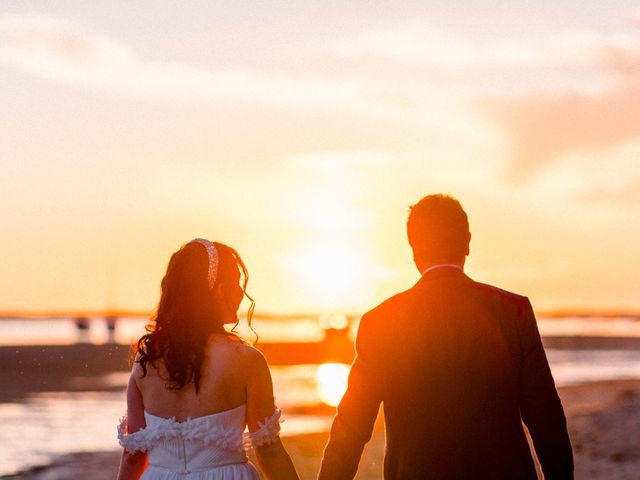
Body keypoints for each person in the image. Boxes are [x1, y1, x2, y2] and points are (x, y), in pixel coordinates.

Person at [318, 194, 573, 479]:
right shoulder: (513, 311)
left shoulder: (381, 321)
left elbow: (351, 428)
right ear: (467, 242)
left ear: (413, 248)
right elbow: (545, 414)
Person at [116, 239, 299, 480]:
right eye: (236, 284)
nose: (242, 294)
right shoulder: (247, 361)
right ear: (220, 290)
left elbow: (134, 457)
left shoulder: (146, 361)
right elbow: (269, 453)